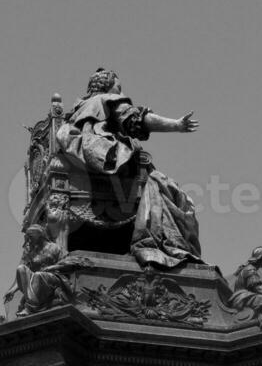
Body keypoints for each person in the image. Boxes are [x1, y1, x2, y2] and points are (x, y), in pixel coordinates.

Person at [55, 68, 203, 270]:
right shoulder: (108, 100)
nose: (119, 88)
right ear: (109, 84)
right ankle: (164, 246)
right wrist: (176, 125)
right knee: (171, 193)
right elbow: (136, 122)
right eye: (118, 83)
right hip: (114, 170)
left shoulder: (76, 112)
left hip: (79, 165)